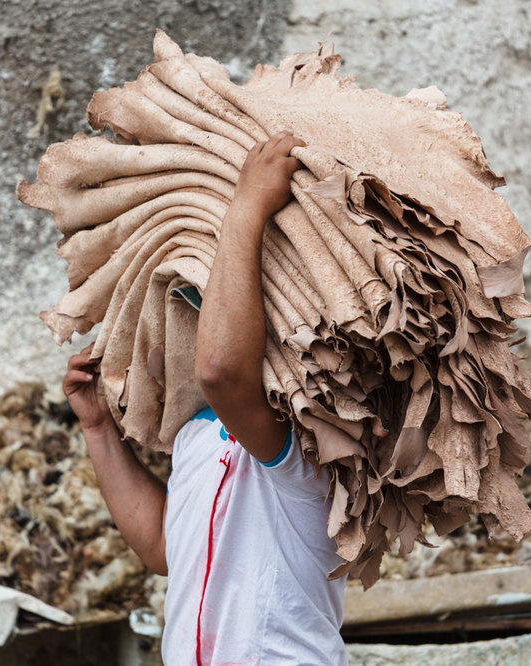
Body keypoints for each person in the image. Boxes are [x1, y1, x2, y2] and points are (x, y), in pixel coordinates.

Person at [63, 131, 348, 665]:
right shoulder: (198, 432)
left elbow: (221, 372)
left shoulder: (309, 438)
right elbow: (164, 548)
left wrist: (247, 207)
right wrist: (98, 427)